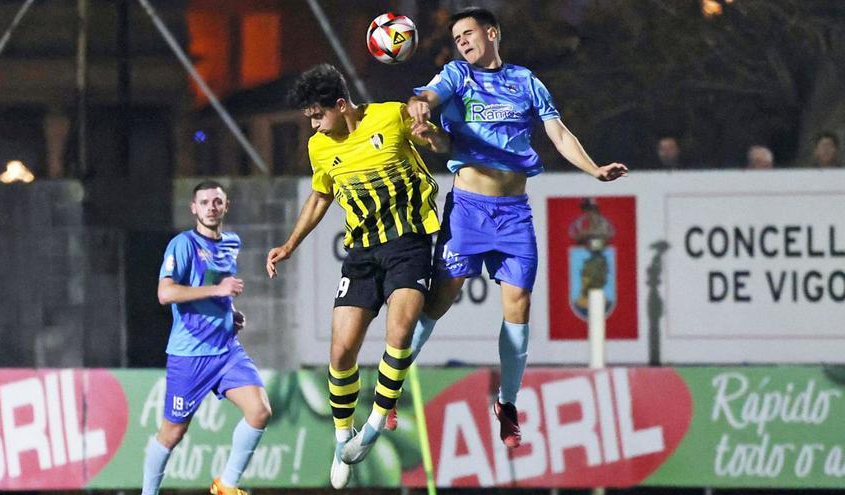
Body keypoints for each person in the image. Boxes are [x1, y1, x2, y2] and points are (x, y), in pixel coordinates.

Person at [406, 7, 628, 449]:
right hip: (467, 211)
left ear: (492, 33)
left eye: (468, 34)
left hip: (513, 213)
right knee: (440, 298)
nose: (463, 42)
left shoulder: (526, 82)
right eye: (457, 37)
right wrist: (419, 108)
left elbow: (559, 132)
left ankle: (507, 402)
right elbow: (427, 98)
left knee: (519, 304)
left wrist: (594, 170)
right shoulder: (455, 75)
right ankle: (389, 385)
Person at [265, 64, 448, 489]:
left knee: (399, 334)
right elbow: (320, 195)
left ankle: (377, 423)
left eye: (317, 115)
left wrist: (428, 127)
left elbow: (431, 131)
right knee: (340, 352)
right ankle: (342, 436)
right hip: (362, 254)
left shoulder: (388, 116)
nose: (313, 125)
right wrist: (290, 244)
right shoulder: (320, 147)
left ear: (341, 105)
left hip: (410, 243)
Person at [142, 181, 271, 495]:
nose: (211, 207)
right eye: (204, 202)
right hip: (190, 355)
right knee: (172, 434)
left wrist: (230, 312)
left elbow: (217, 287)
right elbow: (165, 293)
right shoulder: (182, 245)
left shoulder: (231, 243)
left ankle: (226, 485)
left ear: (226, 206)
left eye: (217, 201)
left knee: (259, 411)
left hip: (227, 350)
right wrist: (218, 291)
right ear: (193, 208)